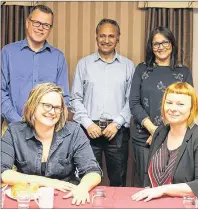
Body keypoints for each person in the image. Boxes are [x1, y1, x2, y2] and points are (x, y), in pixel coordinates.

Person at [1, 83, 102, 205]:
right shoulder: (14, 131)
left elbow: (93, 171)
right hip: (28, 198)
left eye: (57, 107)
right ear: (33, 105)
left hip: (67, 198)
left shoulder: (74, 131)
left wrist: (83, 186)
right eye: (47, 105)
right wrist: (48, 182)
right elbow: (3, 172)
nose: (52, 111)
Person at [69, 18, 135, 186]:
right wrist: (88, 124)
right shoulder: (83, 64)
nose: (106, 40)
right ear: (96, 37)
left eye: (111, 36)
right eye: (102, 36)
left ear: (118, 38)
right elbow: (75, 98)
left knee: (118, 181)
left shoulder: (128, 66)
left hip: (117, 131)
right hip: (88, 130)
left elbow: (132, 100)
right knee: (86, 180)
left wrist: (117, 124)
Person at [129, 26, 193, 187]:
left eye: (165, 42)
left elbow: (187, 105)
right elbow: (134, 103)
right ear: (151, 47)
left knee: (170, 184)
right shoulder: (141, 69)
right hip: (143, 137)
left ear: (172, 44)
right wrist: (154, 130)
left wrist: (161, 133)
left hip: (174, 137)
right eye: (156, 44)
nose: (160, 47)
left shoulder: (183, 71)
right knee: (145, 184)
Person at [1, 5, 70, 126]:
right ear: (28, 23)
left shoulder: (58, 57)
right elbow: (1, 92)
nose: (41, 28)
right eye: (37, 23)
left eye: (46, 25)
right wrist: (18, 121)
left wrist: (50, 122)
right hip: (13, 126)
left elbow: (63, 97)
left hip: (47, 128)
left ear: (50, 28)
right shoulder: (8, 52)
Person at [131, 82, 198, 201]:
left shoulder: (196, 137)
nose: (173, 109)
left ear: (192, 108)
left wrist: (163, 189)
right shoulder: (160, 132)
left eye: (180, 104)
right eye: (169, 103)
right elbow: (148, 176)